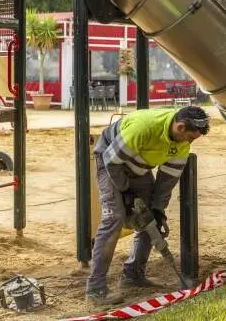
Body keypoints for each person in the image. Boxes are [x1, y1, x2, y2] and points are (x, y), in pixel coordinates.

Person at [86, 105, 211, 305]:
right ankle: (95, 287)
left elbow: (166, 183)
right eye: (190, 137)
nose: (190, 142)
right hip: (109, 160)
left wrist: (157, 210)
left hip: (139, 167)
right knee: (114, 218)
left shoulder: (182, 145)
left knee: (148, 218)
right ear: (179, 127)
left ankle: (133, 274)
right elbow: (112, 161)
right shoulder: (144, 127)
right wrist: (126, 192)